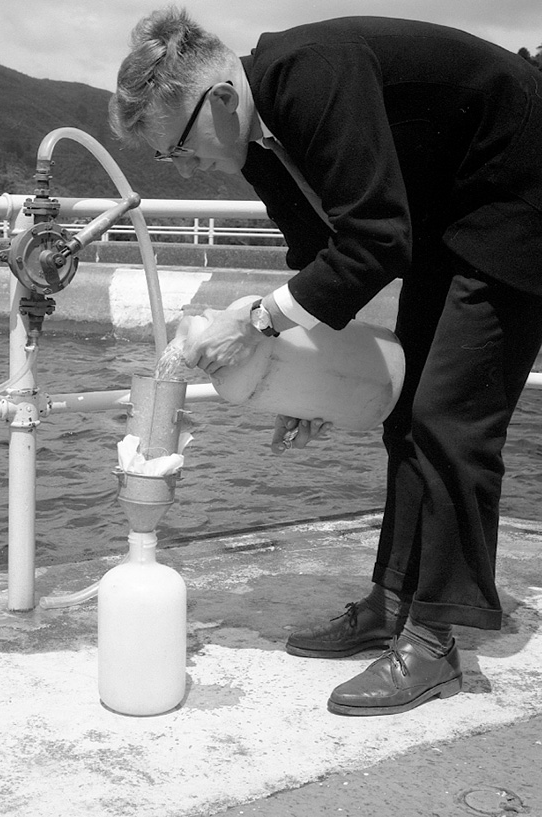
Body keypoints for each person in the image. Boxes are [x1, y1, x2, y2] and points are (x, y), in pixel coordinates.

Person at [109, 8, 542, 716]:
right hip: (447, 211)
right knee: (405, 408)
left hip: (519, 190)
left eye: (182, 150)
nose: (190, 169)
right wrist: (312, 384)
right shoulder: (259, 137)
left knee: (451, 417)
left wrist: (252, 319)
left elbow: (375, 239)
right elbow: (318, 255)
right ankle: (392, 600)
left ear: (220, 98)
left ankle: (434, 642)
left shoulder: (312, 75)